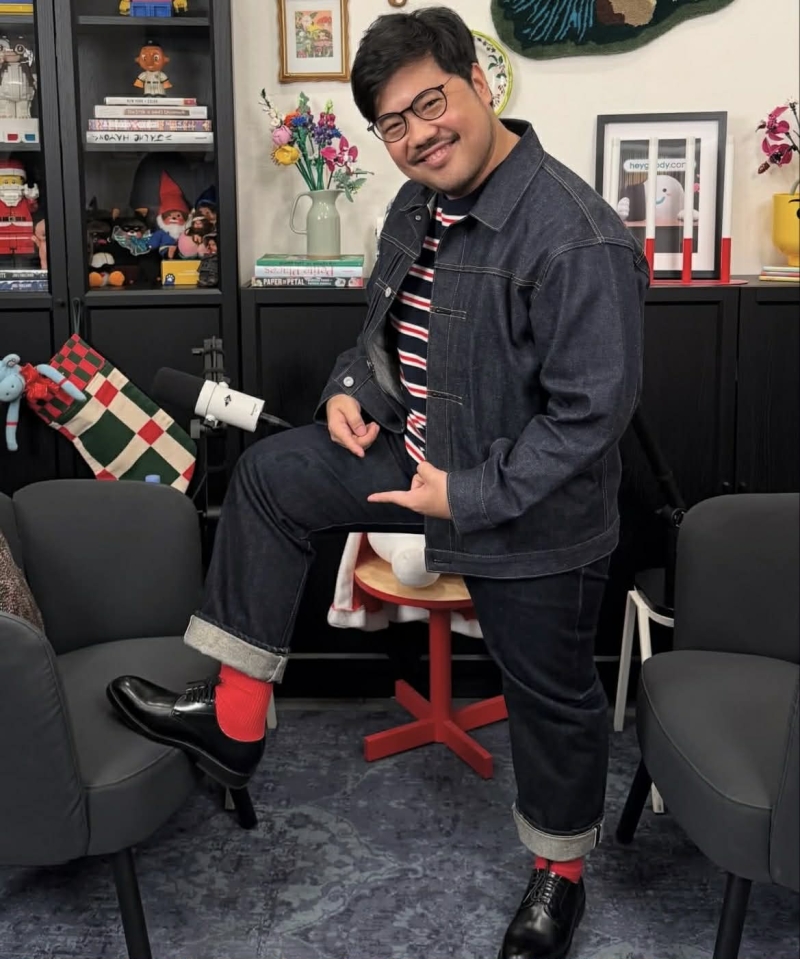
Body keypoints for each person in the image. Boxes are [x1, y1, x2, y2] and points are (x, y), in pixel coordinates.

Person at [108, 8, 647, 958]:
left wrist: (465, 496)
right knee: (271, 476)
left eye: (429, 104)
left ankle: (558, 878)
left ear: (477, 81)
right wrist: (351, 390)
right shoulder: (413, 205)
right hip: (416, 452)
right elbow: (380, 333)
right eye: (392, 124)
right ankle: (234, 724)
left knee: (552, 696)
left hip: (531, 507)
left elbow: (588, 419)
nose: (417, 136)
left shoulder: (577, 236)